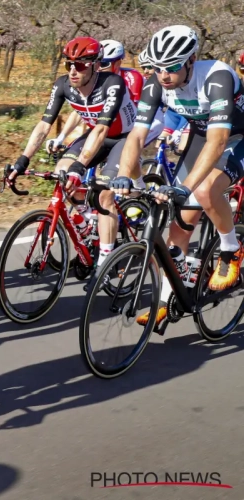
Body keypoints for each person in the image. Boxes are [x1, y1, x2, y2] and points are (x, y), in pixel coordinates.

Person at [110, 25, 244, 325]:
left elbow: (219, 141)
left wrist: (184, 187)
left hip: (236, 136)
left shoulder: (216, 77)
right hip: (202, 135)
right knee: (176, 229)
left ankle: (230, 249)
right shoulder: (155, 85)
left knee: (205, 190)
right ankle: (166, 298)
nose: (163, 75)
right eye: (157, 68)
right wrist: (127, 177)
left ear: (191, 60)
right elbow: (135, 137)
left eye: (171, 67)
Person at [10, 37, 159, 268]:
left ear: (96, 65)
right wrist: (22, 159)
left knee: (105, 196)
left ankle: (104, 263)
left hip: (122, 138)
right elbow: (43, 126)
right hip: (94, 135)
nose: (72, 71)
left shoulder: (113, 83)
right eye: (68, 64)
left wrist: (80, 166)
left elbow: (101, 129)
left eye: (79, 65)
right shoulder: (63, 85)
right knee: (61, 172)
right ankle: (86, 221)